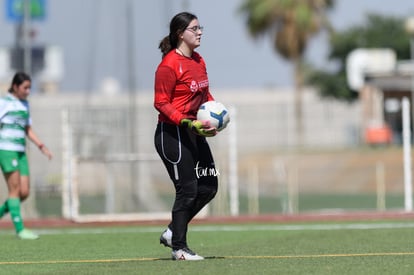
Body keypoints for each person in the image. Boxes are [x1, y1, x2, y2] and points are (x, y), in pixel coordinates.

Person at [154, 12, 219, 261]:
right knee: (187, 191)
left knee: (209, 186)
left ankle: (172, 231)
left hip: (194, 132)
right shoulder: (169, 65)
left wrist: (214, 118)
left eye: (200, 27)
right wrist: (184, 121)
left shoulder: (199, 60)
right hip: (172, 134)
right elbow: (160, 102)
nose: (200, 31)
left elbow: (205, 95)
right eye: (194, 28)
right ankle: (179, 249)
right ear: (181, 34)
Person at [0, 72, 52, 240]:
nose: (28, 91)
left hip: (21, 151)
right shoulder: (4, 103)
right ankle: (20, 230)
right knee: (14, 190)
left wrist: (41, 146)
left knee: (24, 192)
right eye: (25, 87)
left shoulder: (24, 104)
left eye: (30, 87)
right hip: (7, 150)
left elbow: (27, 129)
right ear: (15, 86)